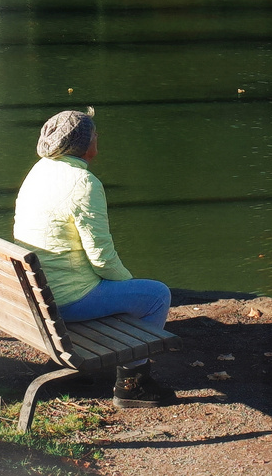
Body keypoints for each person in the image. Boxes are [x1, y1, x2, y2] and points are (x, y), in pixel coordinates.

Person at [13, 109, 174, 408]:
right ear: (85, 144)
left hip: (39, 293)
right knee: (155, 295)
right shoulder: (84, 183)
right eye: (95, 134)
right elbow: (101, 257)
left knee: (126, 290)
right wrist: (130, 282)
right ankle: (132, 384)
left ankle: (78, 364)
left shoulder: (39, 170)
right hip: (67, 300)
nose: (98, 138)